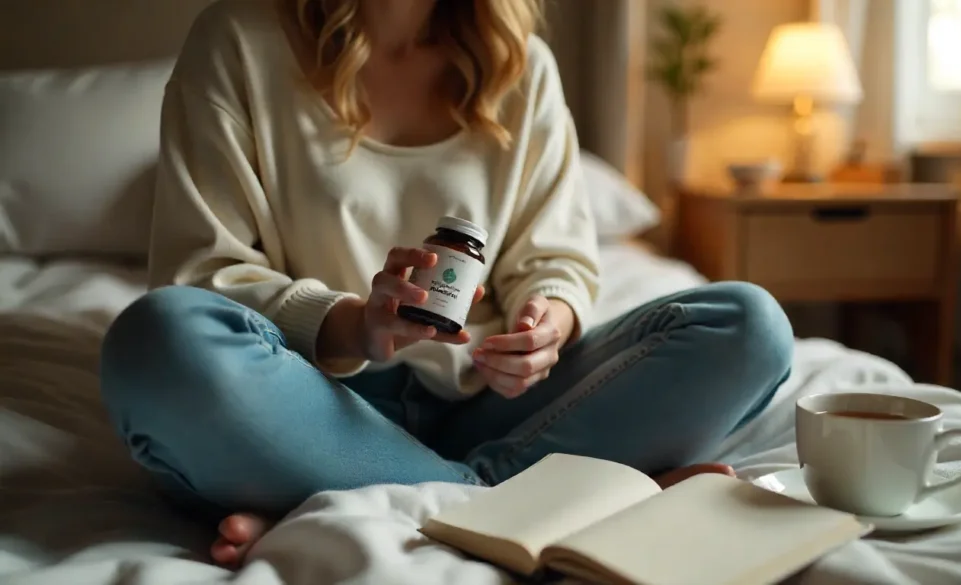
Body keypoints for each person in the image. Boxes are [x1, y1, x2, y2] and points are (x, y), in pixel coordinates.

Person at [100, 0, 794, 568]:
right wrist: (355, 324)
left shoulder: (522, 67)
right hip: (311, 402)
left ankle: (346, 498)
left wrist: (546, 322)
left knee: (748, 325)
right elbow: (202, 271)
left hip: (495, 399)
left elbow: (556, 256)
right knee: (157, 340)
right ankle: (525, 499)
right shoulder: (238, 43)